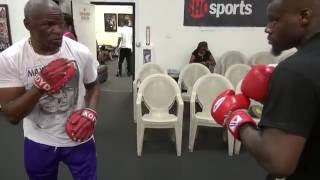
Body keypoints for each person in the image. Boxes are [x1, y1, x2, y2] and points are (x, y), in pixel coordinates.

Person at [211, 0, 320, 179]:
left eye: (275, 20)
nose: (267, 28)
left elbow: (278, 161)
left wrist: (236, 118)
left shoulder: (294, 71)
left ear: (304, 16)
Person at [0, 0, 100, 179]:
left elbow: (93, 86)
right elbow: (11, 115)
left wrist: (91, 111)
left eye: (60, 23)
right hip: (39, 140)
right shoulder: (10, 59)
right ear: (27, 25)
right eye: (48, 24)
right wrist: (40, 87)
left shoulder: (81, 52)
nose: (58, 30)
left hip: (79, 136)